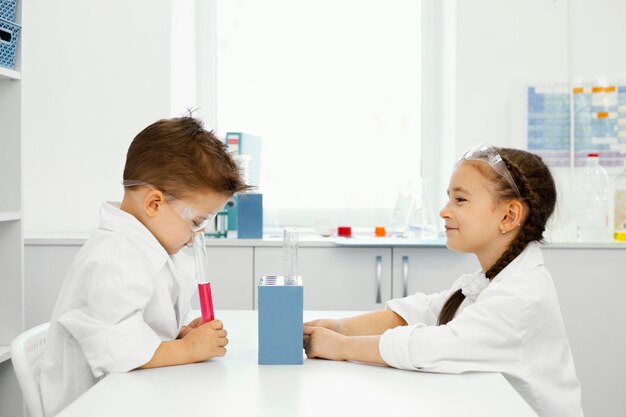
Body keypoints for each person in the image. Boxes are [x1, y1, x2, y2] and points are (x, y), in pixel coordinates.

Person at [303, 144, 583, 417]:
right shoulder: (493, 277)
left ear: (508, 216)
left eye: (460, 200)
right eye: (449, 197)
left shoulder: (521, 296)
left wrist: (340, 346)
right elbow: (428, 310)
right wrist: (341, 327)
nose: (444, 211)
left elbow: (437, 346)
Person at [40, 116, 251, 416]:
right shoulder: (114, 256)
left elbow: (138, 323)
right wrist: (188, 350)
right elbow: (118, 352)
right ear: (154, 204)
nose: (198, 234)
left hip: (129, 394)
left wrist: (178, 333)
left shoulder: (151, 245)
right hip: (92, 405)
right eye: (196, 222)